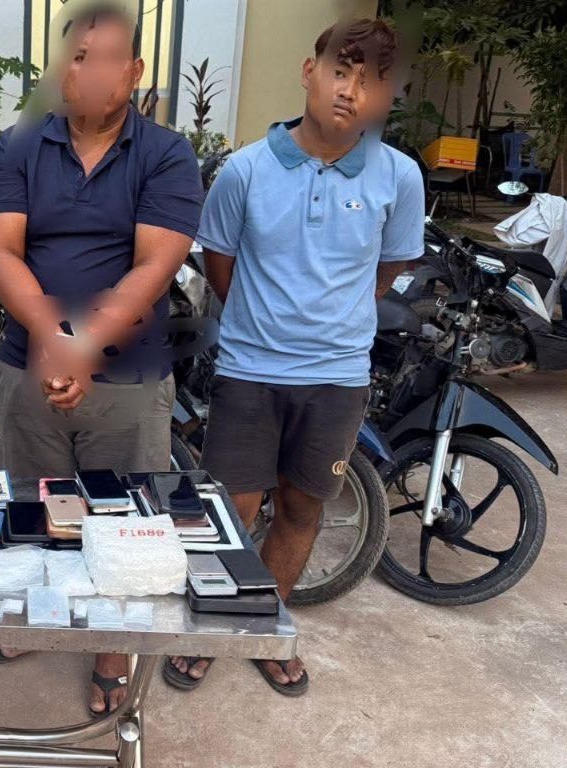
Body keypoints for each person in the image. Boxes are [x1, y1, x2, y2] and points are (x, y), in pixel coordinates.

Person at [167, 18, 422, 697]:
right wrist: (265, 322)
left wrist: (331, 323)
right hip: (250, 371)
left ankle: (262, 627)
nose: (350, 91)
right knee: (230, 512)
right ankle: (212, 629)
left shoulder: (400, 176)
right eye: (341, 70)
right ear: (311, 71)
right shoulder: (245, 170)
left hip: (337, 378)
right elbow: (220, 263)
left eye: (370, 81)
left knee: (302, 509)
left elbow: (387, 268)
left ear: (385, 97)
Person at [0, 5, 202, 715]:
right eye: (76, 57)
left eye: (106, 58)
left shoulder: (166, 154)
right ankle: (44, 616)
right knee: (35, 503)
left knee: (123, 511)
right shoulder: (17, 146)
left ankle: (110, 648)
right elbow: (1, 250)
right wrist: (54, 338)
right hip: (30, 363)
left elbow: (154, 266)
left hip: (129, 375)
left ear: (134, 71)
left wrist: (84, 344)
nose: (89, 71)